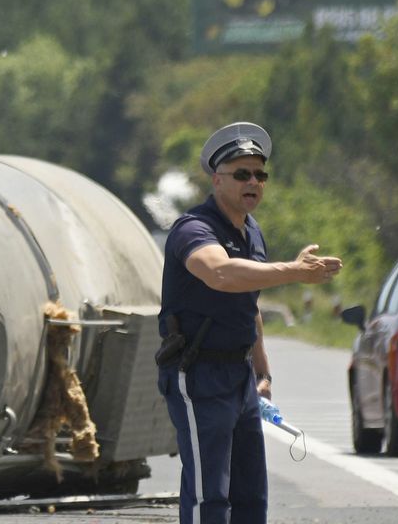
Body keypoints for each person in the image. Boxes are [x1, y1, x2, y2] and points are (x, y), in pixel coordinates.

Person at [157, 122, 342, 524]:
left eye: (260, 174)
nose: (253, 182)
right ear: (217, 178)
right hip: (199, 372)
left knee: (250, 497)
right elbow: (222, 274)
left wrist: (263, 370)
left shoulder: (251, 231)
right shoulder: (194, 228)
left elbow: (249, 301)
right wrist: (293, 270)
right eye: (242, 174)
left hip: (240, 377)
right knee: (210, 497)